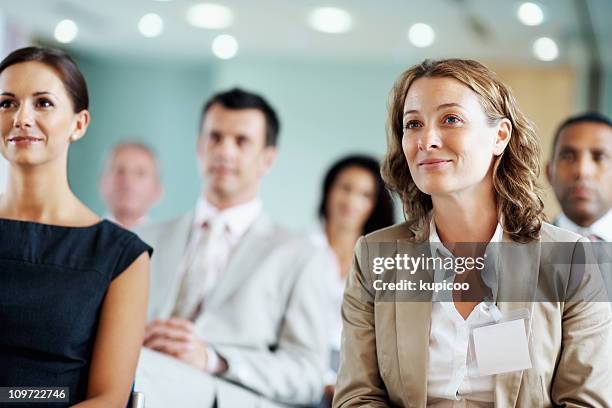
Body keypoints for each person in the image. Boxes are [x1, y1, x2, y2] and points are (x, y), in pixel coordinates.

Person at [333, 59, 612, 407]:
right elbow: (357, 395)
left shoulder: (574, 259)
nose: (427, 140)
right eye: (413, 124)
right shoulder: (376, 255)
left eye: (451, 119)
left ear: (500, 136)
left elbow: (587, 402)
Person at [135, 88, 331, 408]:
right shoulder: (145, 238)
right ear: (200, 147)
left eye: (241, 141)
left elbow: (308, 376)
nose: (224, 151)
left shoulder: (300, 255)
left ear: (267, 159)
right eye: (215, 137)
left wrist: (215, 359)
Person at [0, 46, 151, 407]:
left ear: (79, 124)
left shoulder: (122, 257)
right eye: (7, 103)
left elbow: (109, 398)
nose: (21, 117)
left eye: (43, 103)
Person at [312, 154, 394, 406]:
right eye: (345, 188)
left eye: (365, 195)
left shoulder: (382, 265)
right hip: (300, 365)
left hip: (354, 378)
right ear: (329, 190)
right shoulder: (297, 251)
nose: (351, 201)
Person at [546, 112, 612, 242]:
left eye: (599, 157)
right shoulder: (524, 249)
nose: (582, 171)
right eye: (568, 157)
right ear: (549, 172)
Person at [100, 142, 163, 229]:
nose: (128, 181)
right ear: (103, 183)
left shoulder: (168, 241)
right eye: (120, 171)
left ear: (157, 190)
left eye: (140, 173)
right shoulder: (80, 237)